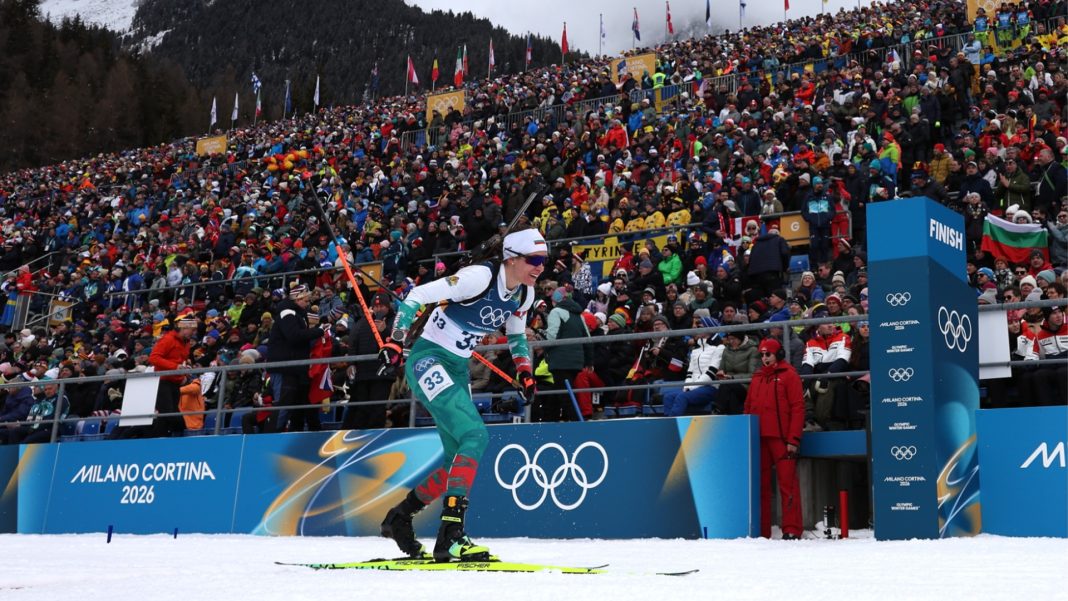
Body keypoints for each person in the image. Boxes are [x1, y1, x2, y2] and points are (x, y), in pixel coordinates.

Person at [378, 228, 544, 562]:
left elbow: (516, 337)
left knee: (456, 458)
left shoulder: (524, 293)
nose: (540, 267)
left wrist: (524, 371)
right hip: (428, 360)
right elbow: (416, 295)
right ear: (512, 258)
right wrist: (395, 341)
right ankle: (451, 534)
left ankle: (400, 517)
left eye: (544, 261)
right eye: (534, 260)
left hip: (457, 369)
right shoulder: (479, 277)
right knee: (475, 435)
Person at [745, 338, 804, 540]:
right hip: (759, 438)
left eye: (768, 354)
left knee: (787, 484)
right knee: (760, 485)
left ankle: (792, 529)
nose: (764, 358)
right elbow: (748, 407)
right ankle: (762, 531)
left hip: (781, 438)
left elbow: (798, 407)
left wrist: (793, 439)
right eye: (762, 354)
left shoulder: (790, 375)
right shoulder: (757, 377)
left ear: (778, 354)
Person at [267, 285, 325, 432]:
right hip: (284, 367)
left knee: (291, 405)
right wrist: (318, 331)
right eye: (305, 300)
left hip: (293, 368)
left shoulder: (297, 314)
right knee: (283, 405)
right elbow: (293, 335)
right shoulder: (288, 313)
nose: (308, 303)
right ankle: (270, 436)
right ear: (297, 299)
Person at [148, 315, 197, 437]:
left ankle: (157, 439)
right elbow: (154, 358)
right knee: (169, 414)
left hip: (175, 382)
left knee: (166, 415)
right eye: (192, 330)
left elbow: (181, 361)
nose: (193, 333)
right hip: (163, 381)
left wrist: (183, 373)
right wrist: (175, 367)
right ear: (184, 328)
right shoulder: (168, 339)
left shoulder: (186, 343)